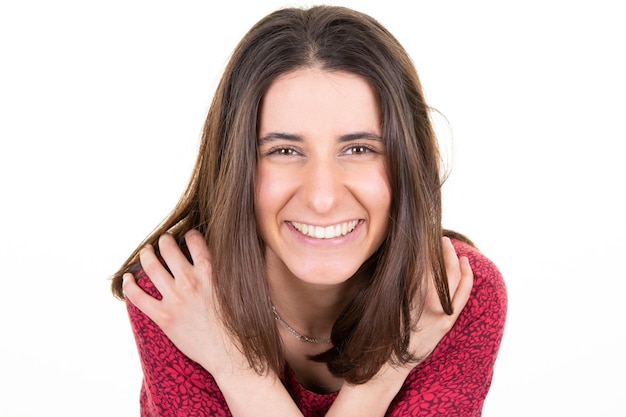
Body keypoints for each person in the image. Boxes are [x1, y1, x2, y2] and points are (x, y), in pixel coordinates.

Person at [111, 5, 507, 417]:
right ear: (235, 165)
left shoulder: (453, 294)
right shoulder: (181, 293)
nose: (322, 197)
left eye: (359, 149)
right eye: (284, 150)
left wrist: (239, 374)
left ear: (408, 161)